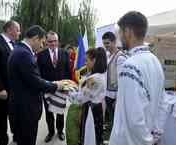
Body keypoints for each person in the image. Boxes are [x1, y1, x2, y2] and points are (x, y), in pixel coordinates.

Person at [109, 11, 165, 145]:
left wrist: (148, 141)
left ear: (128, 32)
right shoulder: (155, 61)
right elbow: (162, 104)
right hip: (148, 134)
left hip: (129, 140)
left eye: (121, 33)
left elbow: (133, 118)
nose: (120, 37)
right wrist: (156, 133)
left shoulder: (129, 66)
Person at [8, 25, 62, 145]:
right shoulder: (24, 54)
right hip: (26, 110)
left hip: (21, 108)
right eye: (43, 42)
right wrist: (56, 86)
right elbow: (35, 81)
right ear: (36, 38)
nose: (43, 46)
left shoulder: (18, 50)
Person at [37, 31, 71, 142]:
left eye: (55, 41)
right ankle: (51, 132)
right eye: (50, 41)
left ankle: (60, 131)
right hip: (47, 89)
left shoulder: (64, 53)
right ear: (46, 41)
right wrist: (42, 88)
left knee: (60, 111)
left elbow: (68, 71)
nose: (53, 43)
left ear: (58, 41)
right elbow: (39, 74)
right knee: (49, 112)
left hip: (62, 88)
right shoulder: (41, 55)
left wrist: (68, 86)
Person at [70, 47, 107, 145]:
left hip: (91, 111)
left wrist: (68, 91)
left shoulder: (94, 78)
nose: (85, 63)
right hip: (96, 108)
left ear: (94, 60)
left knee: (90, 136)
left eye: (87, 60)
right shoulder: (100, 74)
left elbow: (80, 98)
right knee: (95, 136)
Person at [102, 31, 127, 129]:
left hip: (115, 95)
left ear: (114, 42)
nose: (106, 46)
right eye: (104, 43)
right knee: (113, 118)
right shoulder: (108, 56)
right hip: (108, 93)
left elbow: (122, 80)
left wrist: (118, 98)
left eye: (107, 43)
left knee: (117, 120)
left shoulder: (120, 57)